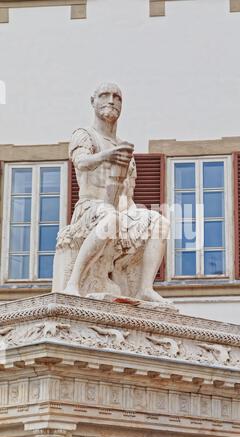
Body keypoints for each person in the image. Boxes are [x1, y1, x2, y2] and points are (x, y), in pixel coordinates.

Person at [52, 83, 169, 303]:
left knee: (160, 221)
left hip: (120, 209)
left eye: (117, 97)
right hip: (90, 208)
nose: (112, 100)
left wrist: (137, 217)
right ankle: (73, 283)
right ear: (93, 101)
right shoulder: (85, 135)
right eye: (105, 95)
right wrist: (107, 156)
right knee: (110, 217)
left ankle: (145, 288)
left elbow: (128, 192)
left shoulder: (125, 149)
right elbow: (81, 162)